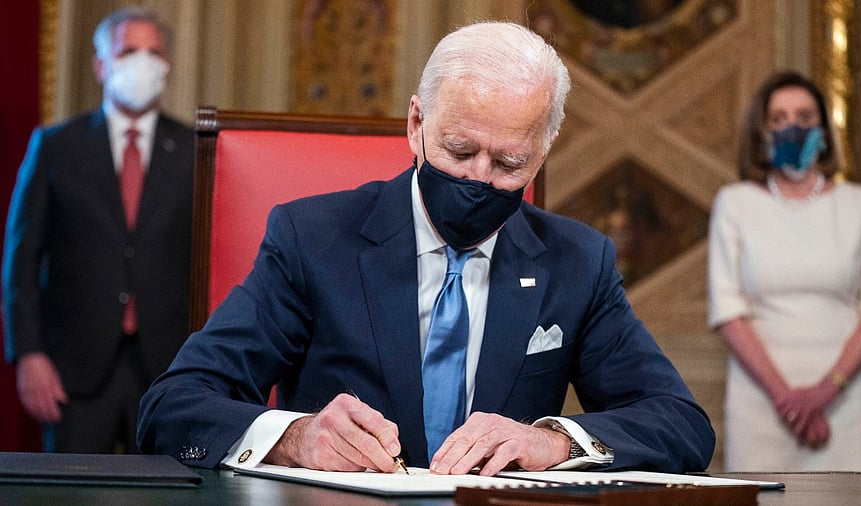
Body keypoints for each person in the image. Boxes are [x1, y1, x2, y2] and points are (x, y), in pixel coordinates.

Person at [138, 21, 714, 475]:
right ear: (416, 123)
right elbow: (174, 404)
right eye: (459, 151)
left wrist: (554, 440)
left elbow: (680, 424)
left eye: (509, 162)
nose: (479, 179)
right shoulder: (313, 239)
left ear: (542, 153)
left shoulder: (577, 263)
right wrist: (296, 437)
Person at [2, 6, 194, 453]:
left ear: (167, 65)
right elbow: (22, 260)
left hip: (169, 371)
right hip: (75, 371)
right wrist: (28, 354)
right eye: (129, 51)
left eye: (154, 52)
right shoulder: (56, 146)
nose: (143, 63)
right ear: (101, 65)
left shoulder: (194, 151)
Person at [707, 71, 861, 471]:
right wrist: (787, 399)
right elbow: (727, 311)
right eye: (778, 119)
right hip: (761, 403)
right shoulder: (736, 203)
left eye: (805, 117)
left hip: (845, 403)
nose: (792, 127)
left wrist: (824, 393)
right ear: (761, 131)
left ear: (824, 130)